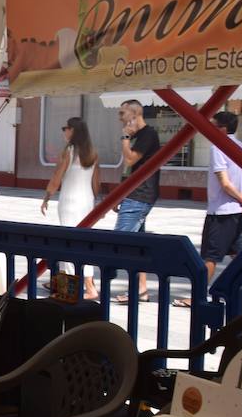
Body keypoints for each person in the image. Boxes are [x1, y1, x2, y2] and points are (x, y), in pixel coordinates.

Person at [179, 110, 242, 309]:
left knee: (210, 256)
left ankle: (197, 295)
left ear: (222, 129)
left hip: (222, 211)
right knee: (239, 255)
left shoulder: (218, 148)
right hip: (239, 211)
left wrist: (241, 198)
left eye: (213, 126)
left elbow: (224, 182)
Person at [40, 117, 101, 300]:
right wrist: (96, 203)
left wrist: (47, 196)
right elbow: (96, 182)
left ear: (73, 130)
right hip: (87, 202)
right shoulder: (92, 152)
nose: (63, 131)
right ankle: (88, 286)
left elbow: (57, 176)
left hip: (70, 202)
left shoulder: (70, 151)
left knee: (68, 243)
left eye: (65, 128)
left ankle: (69, 289)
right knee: (84, 244)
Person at [112, 100, 161, 304]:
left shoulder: (147, 134)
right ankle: (140, 289)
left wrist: (124, 137)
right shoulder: (138, 136)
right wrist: (119, 195)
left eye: (122, 113)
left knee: (121, 243)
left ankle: (134, 289)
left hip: (140, 196)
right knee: (137, 245)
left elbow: (130, 160)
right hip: (134, 195)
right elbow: (129, 170)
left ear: (133, 114)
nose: (120, 117)